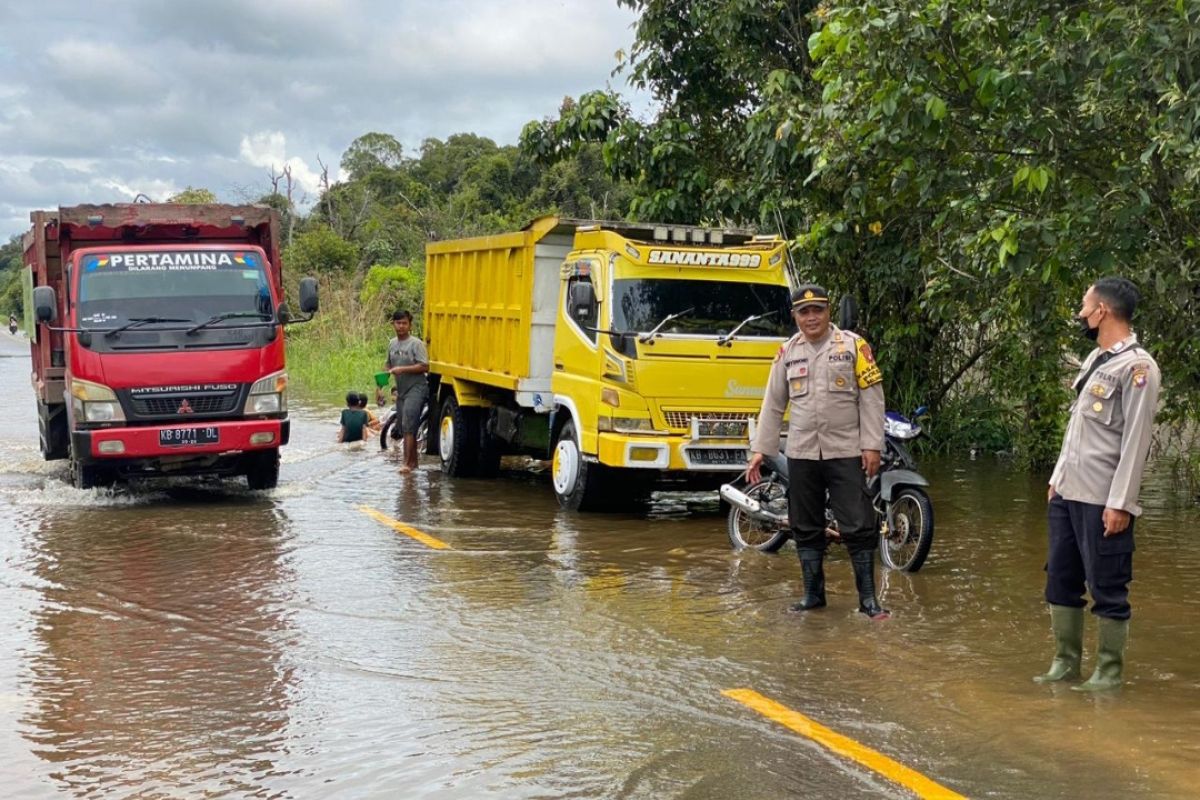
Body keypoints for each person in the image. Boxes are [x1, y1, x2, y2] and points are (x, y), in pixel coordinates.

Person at [1036, 277, 1160, 691]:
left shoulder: (1138, 368)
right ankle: (1064, 664)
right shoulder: (1097, 359)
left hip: (1102, 496)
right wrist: (1056, 479)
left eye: (1084, 306)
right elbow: (1078, 428)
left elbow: (1136, 440)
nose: (1080, 314)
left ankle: (1108, 673)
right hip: (1069, 491)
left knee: (1107, 585)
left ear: (1102, 311)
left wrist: (1121, 503)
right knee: (1060, 577)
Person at [747, 284, 888, 619]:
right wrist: (760, 450)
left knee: (858, 524)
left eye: (818, 311)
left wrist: (872, 446)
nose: (811, 318)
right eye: (803, 312)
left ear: (828, 312)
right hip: (803, 453)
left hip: (845, 450)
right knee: (805, 526)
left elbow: (872, 399)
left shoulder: (854, 347)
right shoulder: (786, 353)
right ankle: (813, 596)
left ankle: (868, 601)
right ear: (794, 316)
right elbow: (772, 404)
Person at [386, 309, 429, 473]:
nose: (401, 326)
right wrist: (380, 387)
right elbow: (388, 366)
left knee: (409, 424)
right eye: (398, 323)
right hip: (402, 391)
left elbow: (425, 366)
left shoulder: (416, 344)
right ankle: (414, 464)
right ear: (393, 324)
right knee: (404, 427)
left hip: (416, 388)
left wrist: (402, 369)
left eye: (404, 323)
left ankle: (406, 463)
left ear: (410, 325)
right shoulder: (392, 343)